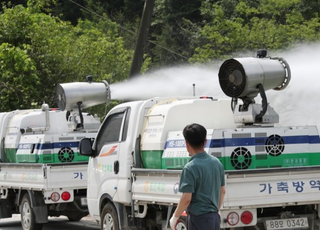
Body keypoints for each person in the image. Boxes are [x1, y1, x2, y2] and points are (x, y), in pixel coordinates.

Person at [170, 123, 226, 230]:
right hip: (214, 218)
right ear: (205, 142)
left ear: (187, 143)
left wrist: (175, 217)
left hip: (199, 218)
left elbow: (186, 198)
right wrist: (216, 210)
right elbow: (222, 191)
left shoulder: (190, 168)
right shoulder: (217, 163)